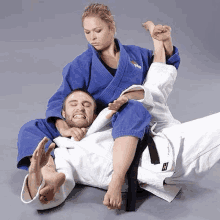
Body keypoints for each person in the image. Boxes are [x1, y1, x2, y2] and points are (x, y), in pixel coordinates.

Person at [21, 22, 220, 211]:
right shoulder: (63, 149)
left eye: (86, 104)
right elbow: (50, 195)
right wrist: (36, 175)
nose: (80, 107)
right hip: (155, 170)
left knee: (142, 100)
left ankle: (155, 48)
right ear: (63, 114)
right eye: (73, 104)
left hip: (165, 148)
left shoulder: (106, 121)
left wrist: (128, 97)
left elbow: (153, 89)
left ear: (95, 112)